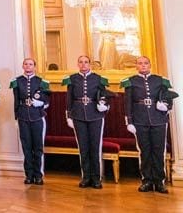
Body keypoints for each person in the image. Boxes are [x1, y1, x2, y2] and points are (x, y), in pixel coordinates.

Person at [122, 56, 178, 193]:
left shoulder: (160, 80)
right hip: (140, 121)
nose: (143, 66)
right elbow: (127, 103)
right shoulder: (130, 82)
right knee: (144, 152)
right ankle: (146, 180)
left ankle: (159, 181)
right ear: (136, 66)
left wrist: (166, 106)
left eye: (146, 63)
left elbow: (168, 98)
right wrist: (129, 121)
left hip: (159, 119)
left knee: (159, 151)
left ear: (150, 65)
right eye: (140, 64)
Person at [64, 55, 110, 189]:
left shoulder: (98, 79)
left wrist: (104, 105)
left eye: (86, 62)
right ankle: (86, 176)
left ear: (90, 64)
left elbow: (104, 96)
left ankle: (96, 178)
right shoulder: (72, 79)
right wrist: (69, 116)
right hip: (78, 115)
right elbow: (69, 99)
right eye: (81, 62)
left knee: (95, 147)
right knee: (83, 148)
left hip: (95, 115)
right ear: (77, 64)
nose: (83, 65)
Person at [11, 57, 50, 185]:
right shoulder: (17, 81)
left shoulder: (41, 82)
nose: (28, 66)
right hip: (23, 116)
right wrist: (16, 117)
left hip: (37, 116)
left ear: (34, 67)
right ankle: (29, 175)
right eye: (26, 64)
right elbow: (16, 101)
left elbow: (47, 100)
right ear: (23, 66)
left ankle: (38, 175)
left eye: (31, 64)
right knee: (26, 147)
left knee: (38, 147)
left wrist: (41, 103)